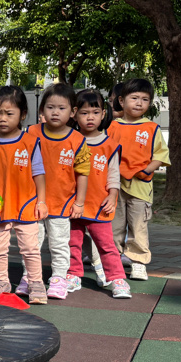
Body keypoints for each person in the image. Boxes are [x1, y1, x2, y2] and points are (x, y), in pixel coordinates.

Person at [0, 86, 49, 304]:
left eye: (9, 113)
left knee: (30, 248)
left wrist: (42, 201)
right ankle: (1, 281)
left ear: (22, 114)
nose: (2, 118)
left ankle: (36, 283)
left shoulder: (30, 142)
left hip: (26, 204)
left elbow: (39, 174)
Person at [20, 83, 91, 299]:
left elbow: (83, 174)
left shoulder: (77, 140)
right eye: (50, 107)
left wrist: (79, 202)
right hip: (32, 203)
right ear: (41, 110)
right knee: (31, 244)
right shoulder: (31, 133)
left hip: (62, 203)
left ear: (73, 112)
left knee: (59, 244)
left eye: (61, 108)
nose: (55, 112)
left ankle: (59, 278)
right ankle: (29, 277)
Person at [66, 89, 132, 298]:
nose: (90, 117)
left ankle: (117, 279)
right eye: (84, 113)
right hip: (72, 205)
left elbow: (114, 175)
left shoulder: (110, 145)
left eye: (95, 112)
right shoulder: (69, 141)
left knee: (107, 245)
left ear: (103, 114)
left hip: (99, 205)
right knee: (71, 243)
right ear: (74, 114)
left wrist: (112, 195)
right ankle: (73, 275)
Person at [108, 78, 170, 280]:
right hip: (114, 187)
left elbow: (161, 155)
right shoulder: (112, 127)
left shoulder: (152, 128)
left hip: (140, 187)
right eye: (134, 98)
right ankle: (113, 262)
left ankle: (138, 262)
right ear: (121, 100)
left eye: (144, 99)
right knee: (114, 226)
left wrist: (146, 170)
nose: (139, 103)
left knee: (138, 226)